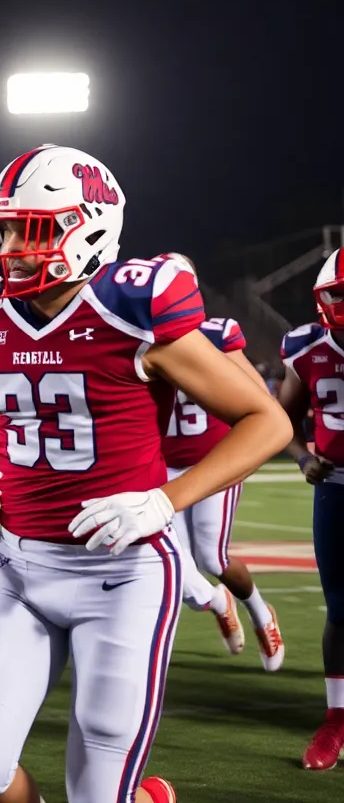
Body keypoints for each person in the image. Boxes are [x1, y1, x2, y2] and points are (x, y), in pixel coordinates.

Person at [0, 145, 292, 803]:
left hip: (124, 573)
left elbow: (267, 422)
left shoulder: (132, 310)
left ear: (89, 227)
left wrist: (165, 501)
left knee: (98, 790)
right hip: (19, 570)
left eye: (31, 228)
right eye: (6, 228)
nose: (10, 245)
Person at [158, 254, 284, 669]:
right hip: (162, 465)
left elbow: (256, 397)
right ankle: (214, 600)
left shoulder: (217, 333)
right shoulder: (131, 335)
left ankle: (261, 611)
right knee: (170, 563)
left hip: (214, 460)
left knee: (211, 558)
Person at [278, 247, 344, 770]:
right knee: (341, 610)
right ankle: (336, 720)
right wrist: (302, 457)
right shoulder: (305, 348)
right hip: (338, 489)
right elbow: (280, 422)